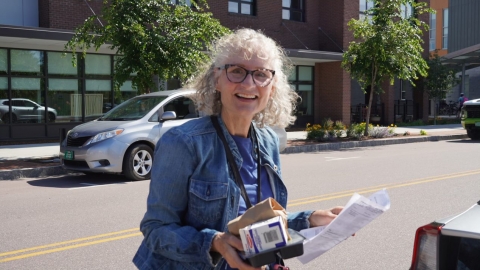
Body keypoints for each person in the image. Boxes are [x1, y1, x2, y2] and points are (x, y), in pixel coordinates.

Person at [132, 28, 344, 270]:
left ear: (272, 86)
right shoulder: (183, 142)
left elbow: (260, 225)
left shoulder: (268, 141)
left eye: (261, 74)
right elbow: (156, 230)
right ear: (217, 79)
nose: (248, 83)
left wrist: (311, 219)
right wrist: (215, 242)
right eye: (237, 71)